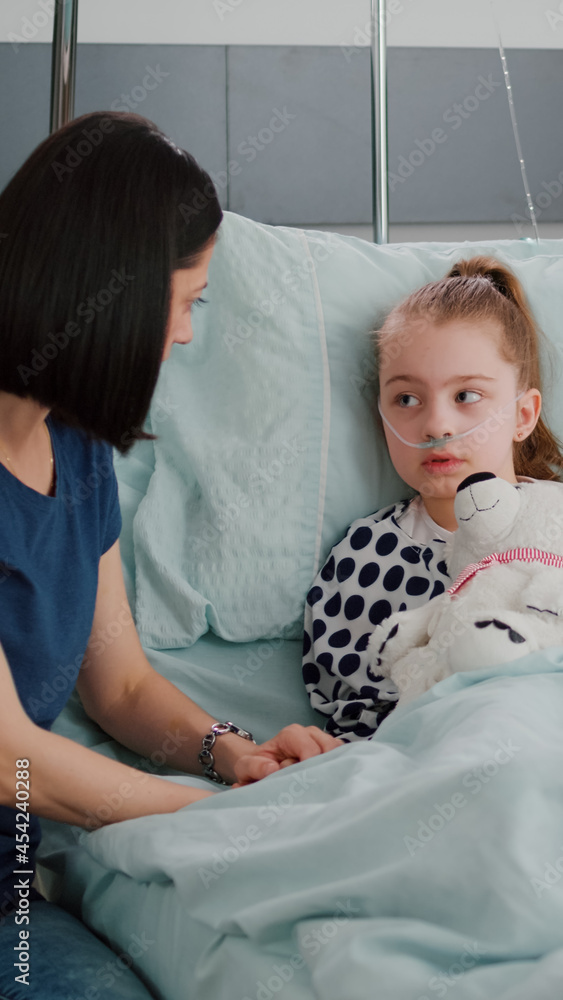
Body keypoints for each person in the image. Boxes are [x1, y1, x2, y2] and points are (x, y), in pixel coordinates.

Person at [0, 111, 341, 999]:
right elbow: (8, 757)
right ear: (112, 292)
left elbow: (118, 687)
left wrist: (236, 756)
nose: (187, 335)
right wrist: (231, 815)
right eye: (185, 301)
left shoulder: (72, 452)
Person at [302, 255, 563, 742]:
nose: (437, 425)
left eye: (466, 396)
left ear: (523, 415)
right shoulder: (363, 560)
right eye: (406, 399)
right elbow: (355, 721)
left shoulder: (555, 522)